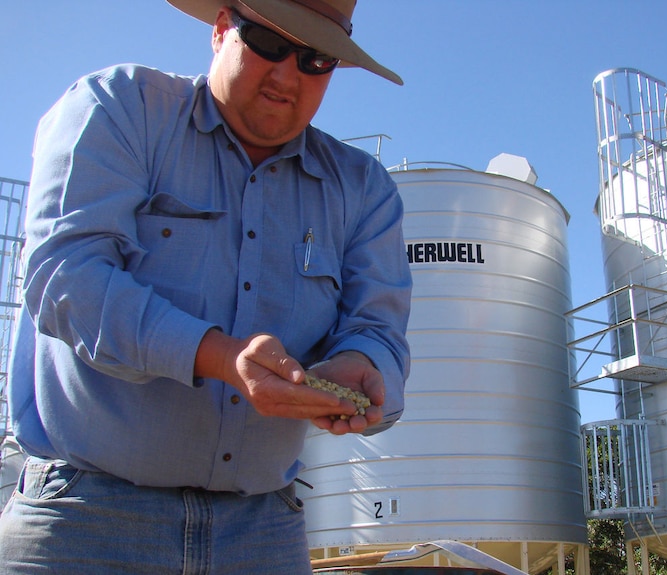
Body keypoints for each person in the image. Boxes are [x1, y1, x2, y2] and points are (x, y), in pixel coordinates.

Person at [0, 0, 411, 573]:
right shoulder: (121, 109)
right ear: (221, 30)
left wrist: (358, 367)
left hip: (263, 531)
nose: (286, 74)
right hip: (83, 521)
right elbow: (66, 279)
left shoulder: (363, 188)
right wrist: (222, 358)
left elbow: (380, 331)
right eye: (268, 42)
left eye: (316, 58)